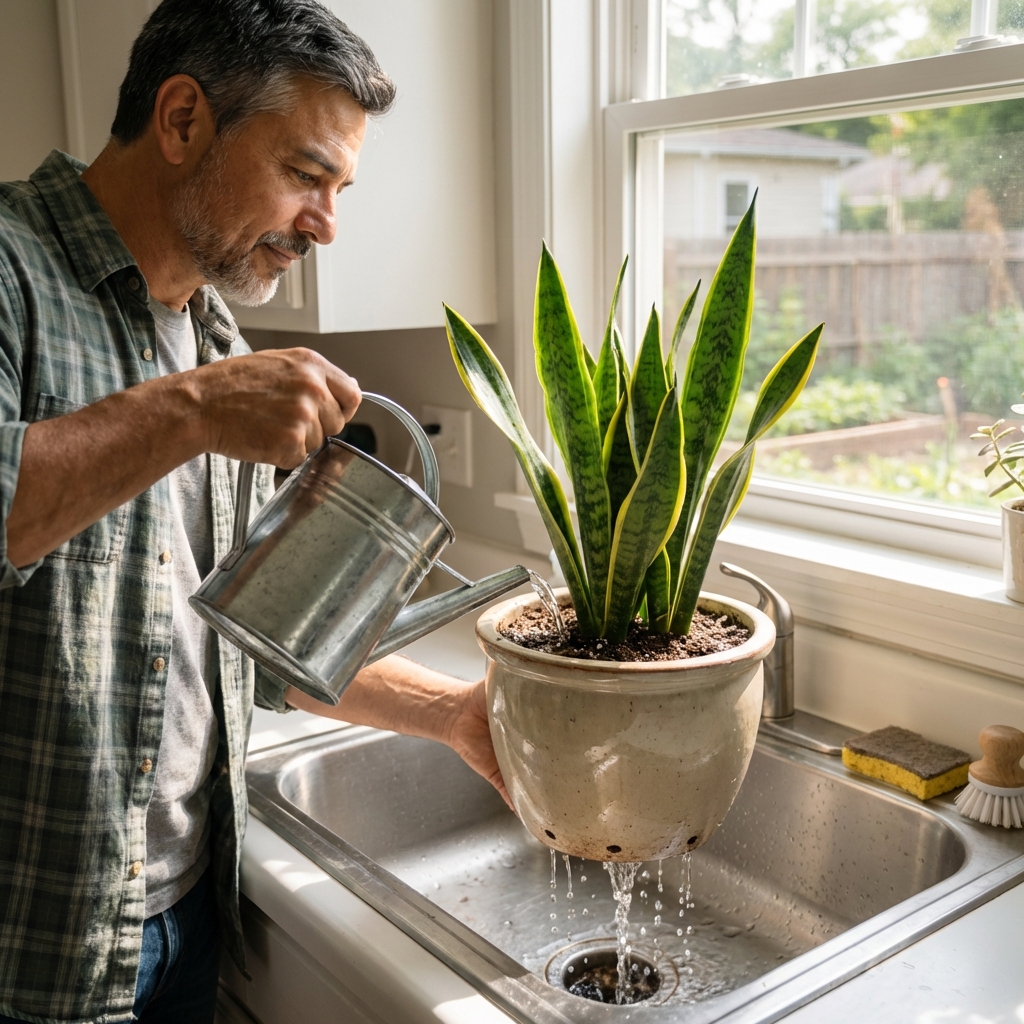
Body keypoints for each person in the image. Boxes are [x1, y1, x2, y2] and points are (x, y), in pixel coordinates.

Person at [0, 2, 508, 1022]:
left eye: (339, 189)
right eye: (307, 174)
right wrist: (189, 411)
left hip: (186, 908)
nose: (326, 223)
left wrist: (455, 713)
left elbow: (268, 633)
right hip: (29, 943)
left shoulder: (220, 332)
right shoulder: (12, 271)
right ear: (183, 120)